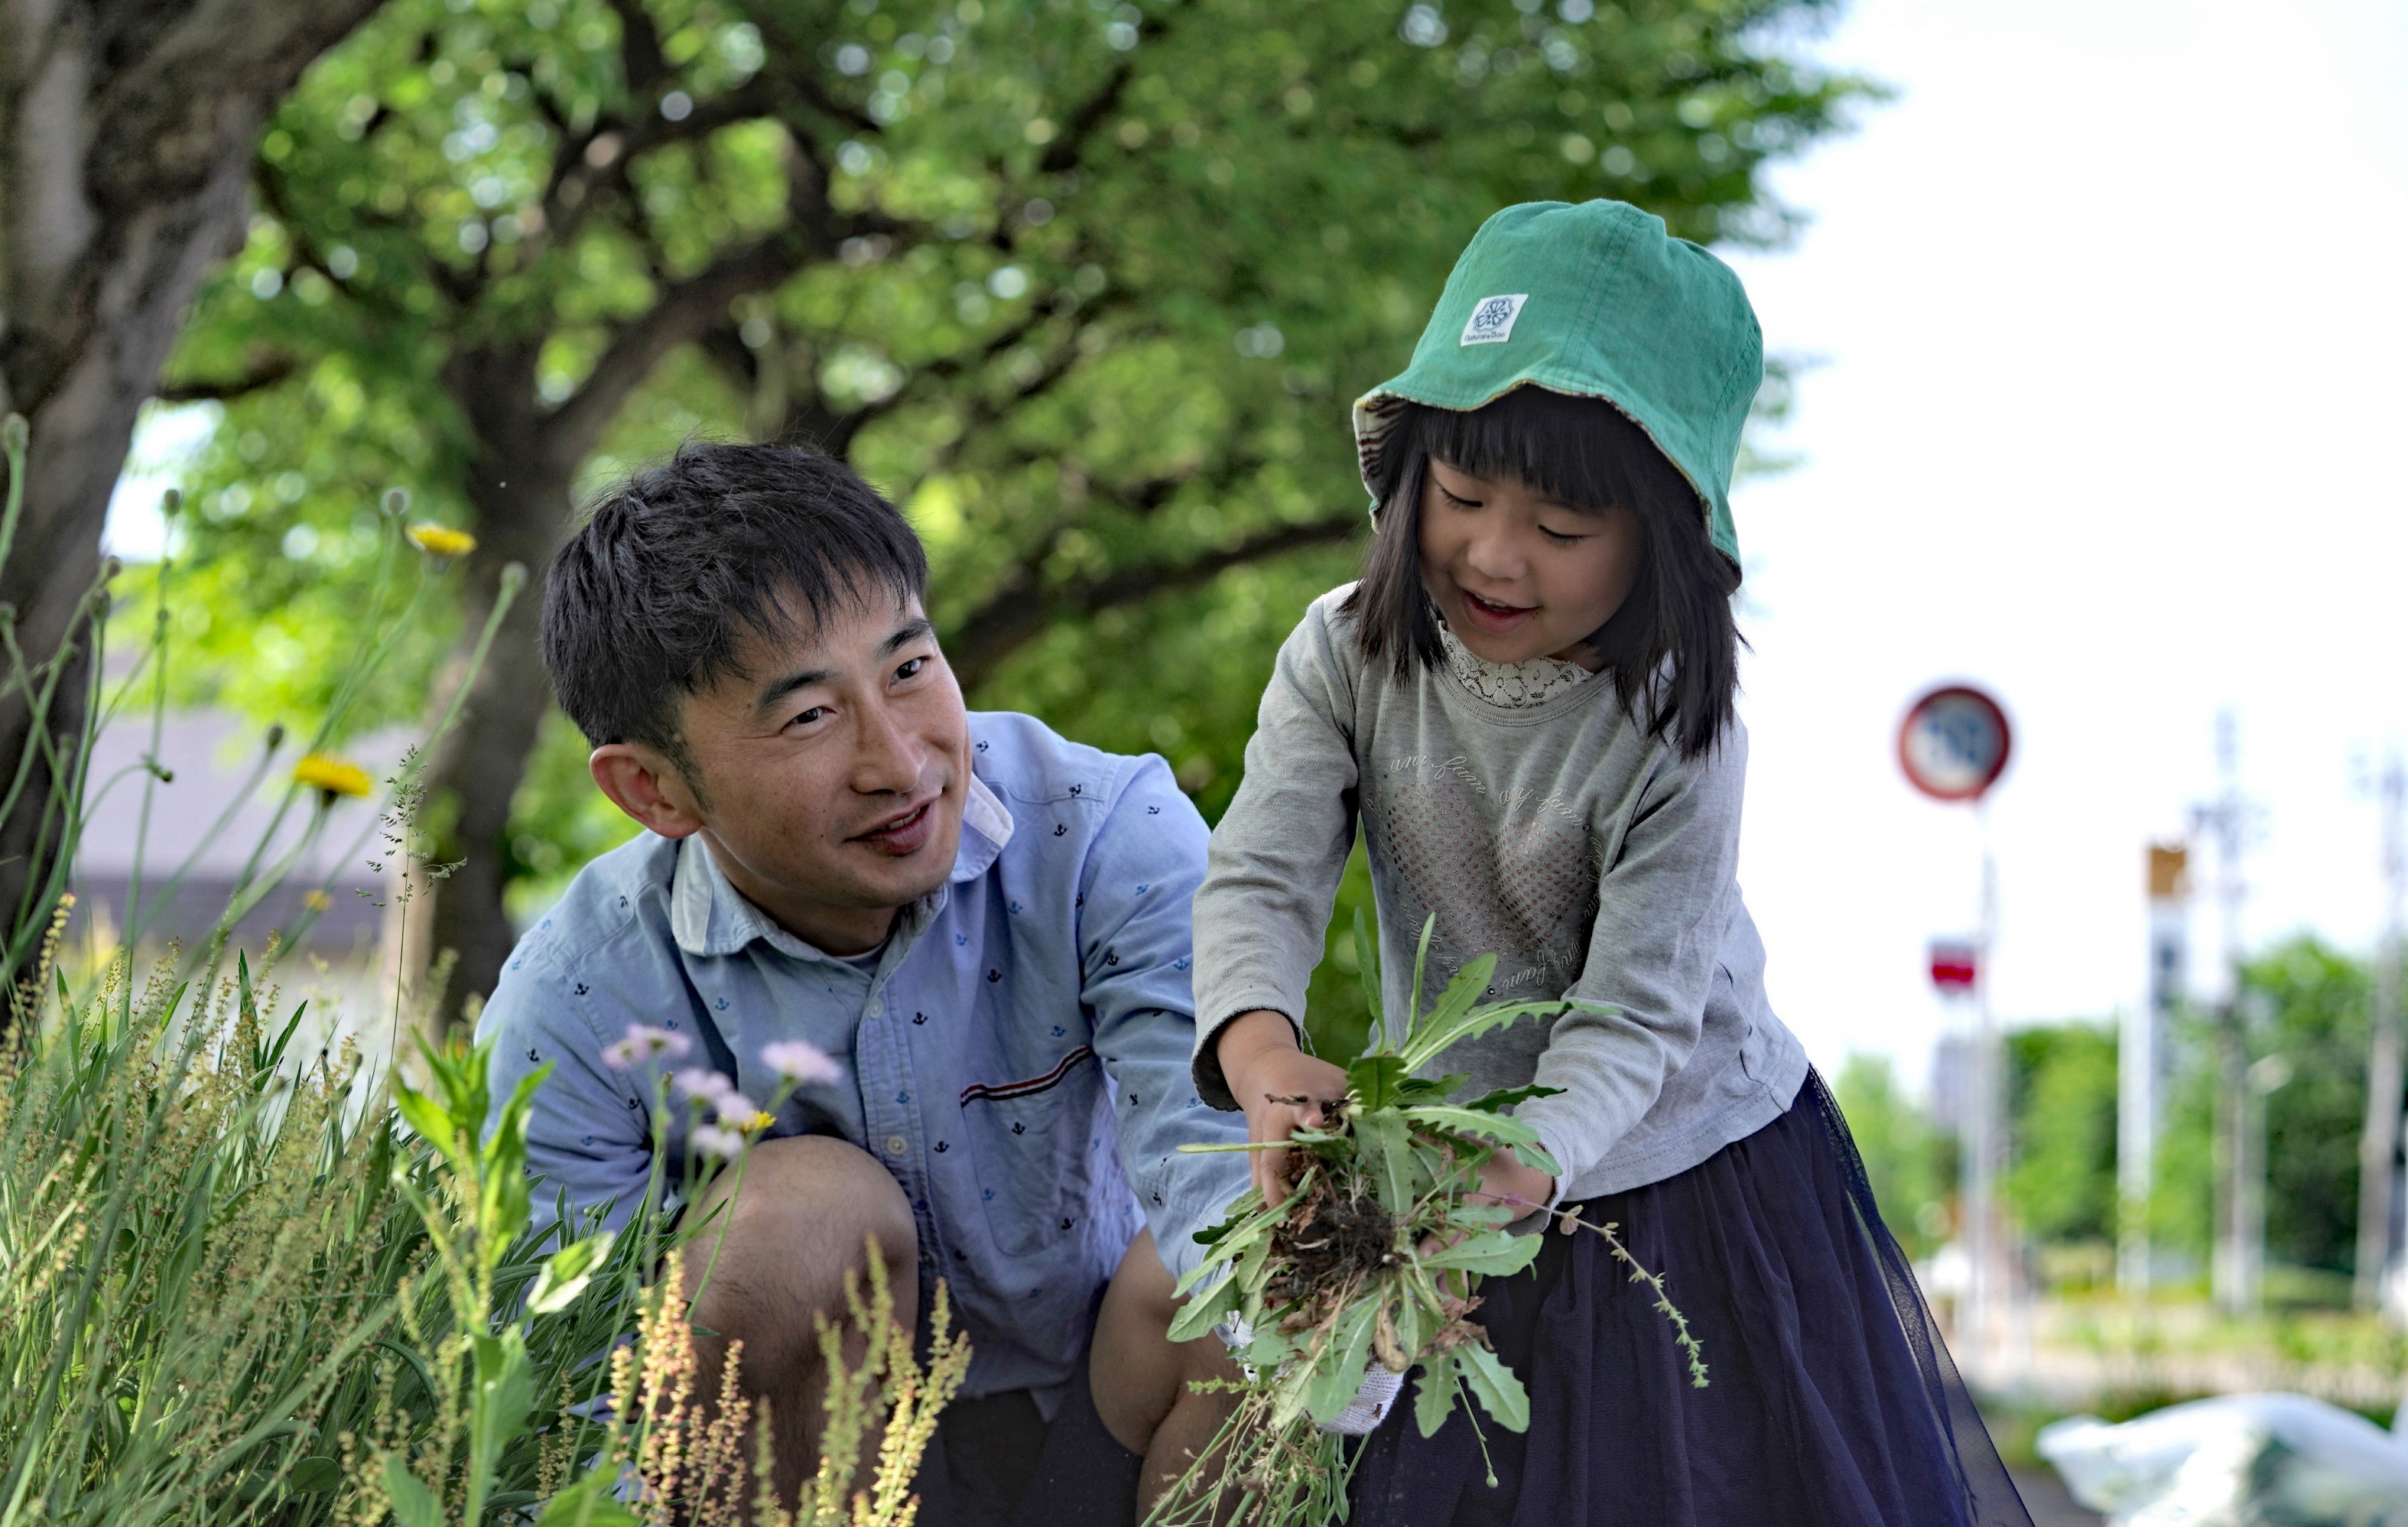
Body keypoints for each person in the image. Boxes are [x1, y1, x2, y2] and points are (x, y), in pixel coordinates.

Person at [1188, 200, 2034, 1527]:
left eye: (1564, 527)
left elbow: (1634, 1016)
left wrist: (1526, 1166)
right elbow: (1260, 873)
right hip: (1453, 1159)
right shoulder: (1344, 652)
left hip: (1688, 1173)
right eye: (1461, 497)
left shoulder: (1672, 728)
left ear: (1662, 538)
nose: (1494, 553)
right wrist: (1259, 1050)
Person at [474, 441, 1246, 1525]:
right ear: (653, 788)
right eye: (807, 717)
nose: (899, 761)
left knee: (1236, 1257)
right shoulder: (580, 994)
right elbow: (553, 1393)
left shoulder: (1104, 833)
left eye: (909, 668)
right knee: (802, 1211)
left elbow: (1218, 1156)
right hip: (801, 1476)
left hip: (1107, 1433)